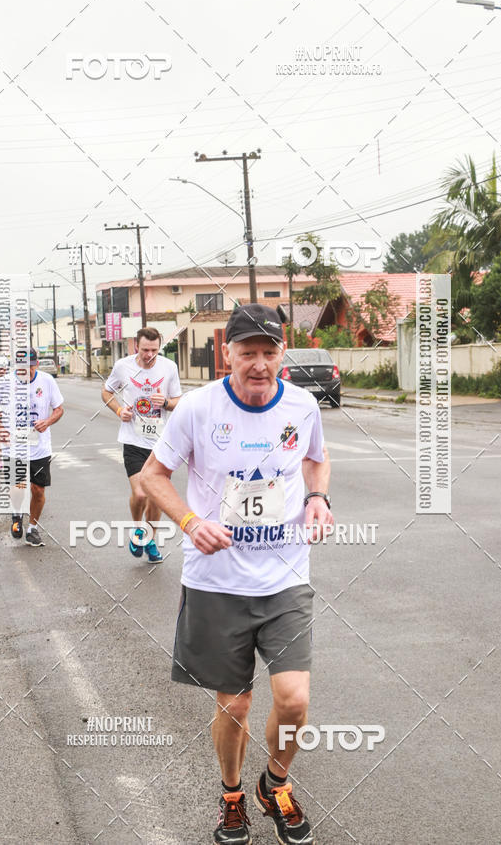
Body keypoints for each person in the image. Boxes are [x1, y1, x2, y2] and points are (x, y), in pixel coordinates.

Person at [140, 304, 333, 845]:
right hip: (216, 582)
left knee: (293, 698)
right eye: (247, 352)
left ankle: (275, 783)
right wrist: (189, 520)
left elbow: (317, 458)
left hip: (285, 578)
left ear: (281, 352)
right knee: (235, 702)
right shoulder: (198, 409)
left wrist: (317, 496)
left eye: (269, 352)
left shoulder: (301, 405)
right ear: (227, 352)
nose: (259, 364)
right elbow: (152, 476)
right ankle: (231, 796)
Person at [102, 327, 182, 563]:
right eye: (145, 350)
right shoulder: (123, 366)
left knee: (156, 497)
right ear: (137, 345)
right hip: (133, 439)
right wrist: (119, 409)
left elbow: (178, 401)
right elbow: (106, 392)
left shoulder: (169, 367)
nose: (149, 355)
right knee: (140, 493)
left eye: (154, 350)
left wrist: (166, 402)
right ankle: (139, 528)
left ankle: (150, 540)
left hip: (160, 442)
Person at [0, 349, 64, 546]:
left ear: (36, 364)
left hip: (40, 447)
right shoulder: (4, 383)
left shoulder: (47, 381)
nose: (27, 371)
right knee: (18, 487)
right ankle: (16, 513)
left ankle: (33, 528)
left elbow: (59, 409)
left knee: (38, 490)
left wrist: (47, 421)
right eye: (22, 367)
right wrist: (0, 429)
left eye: (30, 366)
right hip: (13, 448)